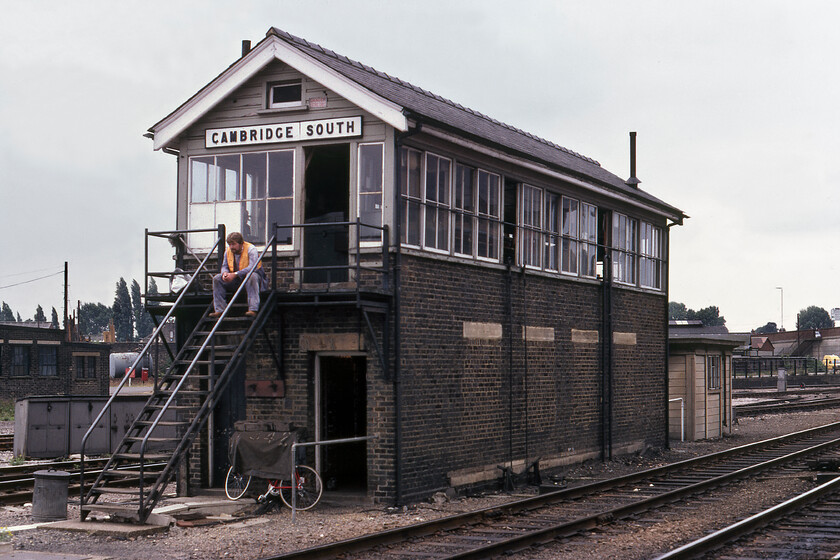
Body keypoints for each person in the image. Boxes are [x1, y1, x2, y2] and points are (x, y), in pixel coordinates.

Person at [210, 232, 268, 318]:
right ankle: (220, 310)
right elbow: (224, 266)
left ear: (241, 243)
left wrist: (235, 274)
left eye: (233, 244)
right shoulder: (228, 251)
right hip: (236, 281)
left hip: (255, 281)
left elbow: (253, 267)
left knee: (251, 276)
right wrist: (224, 274)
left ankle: (253, 309)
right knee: (217, 278)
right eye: (230, 244)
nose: (231, 247)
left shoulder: (251, 249)